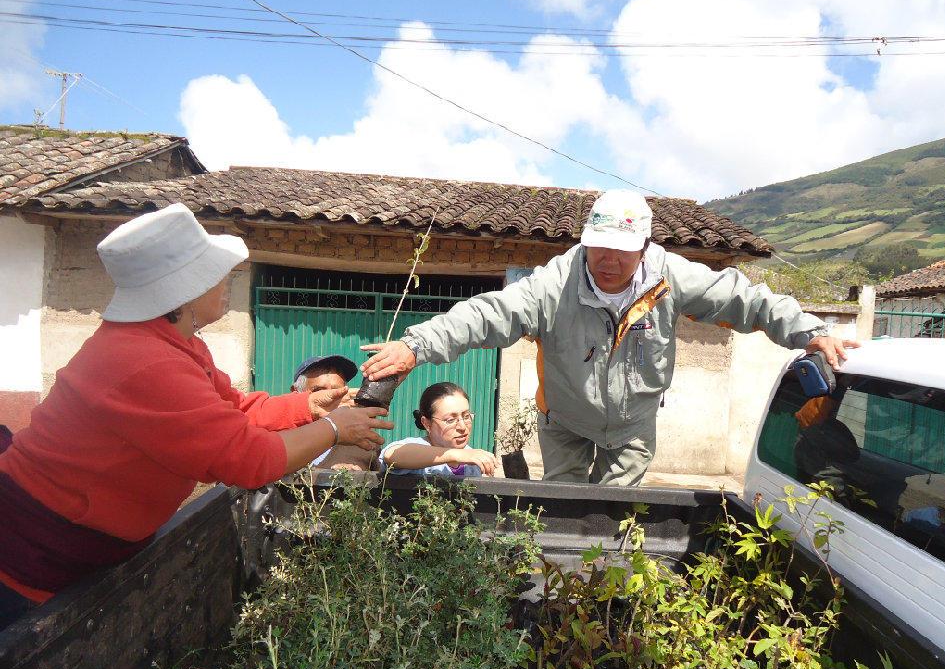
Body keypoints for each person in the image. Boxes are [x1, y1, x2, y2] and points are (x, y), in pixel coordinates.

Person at [0, 203, 393, 629]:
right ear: (185, 291)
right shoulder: (146, 360)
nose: (227, 281)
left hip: (81, 547)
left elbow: (237, 410)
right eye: (215, 273)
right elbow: (246, 459)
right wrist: (334, 429)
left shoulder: (178, 342)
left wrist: (308, 407)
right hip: (33, 556)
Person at [362, 189, 858, 486]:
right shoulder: (553, 286)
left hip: (632, 427)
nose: (608, 260)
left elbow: (742, 298)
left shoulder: (671, 279)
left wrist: (809, 331)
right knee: (565, 510)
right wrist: (417, 345)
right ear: (585, 240)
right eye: (598, 246)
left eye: (622, 250)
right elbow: (487, 314)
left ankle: (606, 600)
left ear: (644, 247)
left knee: (616, 513)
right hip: (565, 419)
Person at [380, 382, 499, 476]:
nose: (462, 427)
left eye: (466, 416)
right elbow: (391, 455)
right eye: (450, 420)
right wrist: (456, 455)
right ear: (427, 423)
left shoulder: (472, 460)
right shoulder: (418, 447)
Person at [289, 354, 373, 471]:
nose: (330, 397)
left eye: (337, 391)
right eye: (318, 391)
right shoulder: (281, 438)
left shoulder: (361, 442)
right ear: (296, 392)